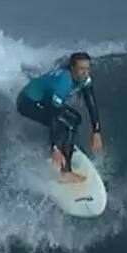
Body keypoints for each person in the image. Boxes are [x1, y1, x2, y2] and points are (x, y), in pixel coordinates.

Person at [16, 52, 103, 183]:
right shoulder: (63, 84)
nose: (85, 73)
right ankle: (65, 172)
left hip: (44, 100)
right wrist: (55, 147)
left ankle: (63, 147)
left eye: (87, 68)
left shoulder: (84, 78)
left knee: (75, 119)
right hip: (28, 103)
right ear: (72, 68)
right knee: (68, 124)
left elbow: (91, 103)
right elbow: (53, 115)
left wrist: (96, 131)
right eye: (81, 69)